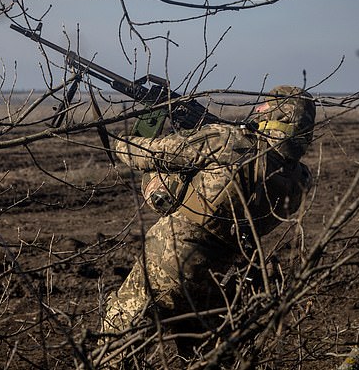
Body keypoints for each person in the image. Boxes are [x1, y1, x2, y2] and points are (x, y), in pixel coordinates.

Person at [100, 85, 316, 365]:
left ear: (276, 115)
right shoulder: (298, 179)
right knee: (203, 357)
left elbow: (142, 153)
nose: (258, 108)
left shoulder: (228, 142)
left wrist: (131, 134)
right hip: (220, 277)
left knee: (118, 338)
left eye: (265, 106)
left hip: (170, 260)